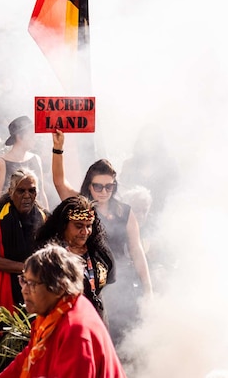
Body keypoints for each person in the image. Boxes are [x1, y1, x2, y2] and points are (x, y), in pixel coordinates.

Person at [52, 131, 153, 339]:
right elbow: (60, 183)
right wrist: (58, 148)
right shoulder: (81, 204)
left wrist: (148, 289)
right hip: (88, 281)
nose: (104, 190)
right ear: (89, 184)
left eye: (109, 186)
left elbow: (136, 249)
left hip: (120, 281)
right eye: (98, 185)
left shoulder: (125, 211)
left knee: (124, 337)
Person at [0, 244, 126, 378]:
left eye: (32, 284)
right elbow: (26, 359)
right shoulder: (53, 312)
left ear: (59, 287)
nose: (24, 290)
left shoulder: (75, 331)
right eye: (24, 281)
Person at [0, 168, 47, 345]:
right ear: (11, 192)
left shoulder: (41, 215)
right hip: (6, 289)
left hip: (35, 291)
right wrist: (26, 267)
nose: (27, 195)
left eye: (31, 190)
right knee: (7, 347)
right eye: (21, 190)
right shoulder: (1, 216)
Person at [34, 195, 114, 319]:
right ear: (63, 225)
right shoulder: (48, 256)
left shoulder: (99, 253)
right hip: (62, 322)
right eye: (78, 226)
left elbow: (104, 287)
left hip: (94, 319)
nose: (85, 232)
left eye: (88, 226)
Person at [0, 116, 48, 209]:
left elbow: (41, 192)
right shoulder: (2, 162)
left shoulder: (36, 159)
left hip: (34, 215)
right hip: (11, 216)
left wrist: (47, 217)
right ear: (19, 137)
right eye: (31, 135)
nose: (35, 138)